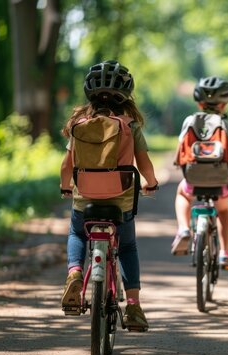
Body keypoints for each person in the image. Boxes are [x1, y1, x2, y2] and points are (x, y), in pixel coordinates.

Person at [60, 60, 158, 331]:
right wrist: (151, 182)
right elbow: (144, 162)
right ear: (126, 96)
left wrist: (66, 187)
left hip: (85, 200)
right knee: (127, 247)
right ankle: (135, 307)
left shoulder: (80, 124)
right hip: (121, 200)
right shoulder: (131, 125)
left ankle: (75, 274)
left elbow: (67, 165)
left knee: (77, 233)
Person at [171, 76, 228, 270]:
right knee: (223, 210)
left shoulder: (189, 121)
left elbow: (179, 154)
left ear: (199, 103)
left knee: (182, 193)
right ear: (224, 105)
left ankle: (183, 228)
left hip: (193, 179)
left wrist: (178, 162)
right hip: (220, 182)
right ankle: (225, 254)